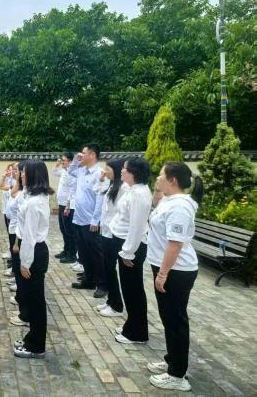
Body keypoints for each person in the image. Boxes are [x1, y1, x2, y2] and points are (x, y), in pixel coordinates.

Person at [145, 162, 203, 392]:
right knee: (169, 319)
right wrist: (157, 189)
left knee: (175, 321)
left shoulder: (180, 207)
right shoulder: (170, 200)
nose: (157, 177)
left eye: (161, 175)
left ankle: (177, 375)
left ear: (173, 180)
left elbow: (175, 244)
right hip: (168, 267)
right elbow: (155, 205)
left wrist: (163, 274)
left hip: (176, 271)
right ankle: (173, 361)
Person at [13, 159, 54, 359]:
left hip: (34, 251)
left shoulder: (34, 203)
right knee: (33, 299)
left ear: (33, 175)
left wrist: (25, 262)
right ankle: (32, 338)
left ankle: (36, 346)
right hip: (35, 249)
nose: (21, 174)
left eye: (25, 172)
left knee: (36, 301)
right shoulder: (36, 197)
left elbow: (29, 236)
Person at [110, 157, 152, 344]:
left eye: (125, 169)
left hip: (132, 246)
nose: (121, 171)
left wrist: (128, 252)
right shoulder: (131, 189)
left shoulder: (139, 194)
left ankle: (137, 333)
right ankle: (132, 324)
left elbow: (137, 226)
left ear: (134, 172)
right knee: (128, 289)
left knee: (133, 290)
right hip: (125, 243)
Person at [67, 144, 106, 298]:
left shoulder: (99, 173)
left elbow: (100, 199)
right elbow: (70, 171)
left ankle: (102, 284)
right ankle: (89, 280)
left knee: (96, 254)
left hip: (91, 221)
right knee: (83, 253)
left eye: (83, 153)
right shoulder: (82, 170)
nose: (80, 155)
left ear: (92, 154)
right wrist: (75, 160)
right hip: (79, 218)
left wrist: (95, 220)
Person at [94, 158, 127, 318]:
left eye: (108, 169)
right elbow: (97, 191)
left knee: (110, 269)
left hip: (113, 234)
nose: (105, 171)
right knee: (107, 268)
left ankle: (117, 305)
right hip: (106, 232)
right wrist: (101, 180)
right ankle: (111, 301)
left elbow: (121, 214)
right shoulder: (112, 185)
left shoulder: (123, 188)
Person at [6, 162, 28, 327]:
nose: (18, 174)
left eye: (19, 171)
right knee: (16, 263)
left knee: (21, 267)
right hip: (14, 228)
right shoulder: (21, 189)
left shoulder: (26, 195)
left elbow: (25, 224)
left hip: (19, 233)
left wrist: (16, 242)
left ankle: (24, 308)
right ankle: (21, 296)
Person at [52, 153, 77, 263]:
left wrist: (68, 206)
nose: (62, 162)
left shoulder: (73, 174)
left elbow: (72, 191)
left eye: (64, 160)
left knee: (69, 231)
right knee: (63, 229)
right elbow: (54, 172)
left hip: (68, 206)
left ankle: (72, 254)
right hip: (62, 205)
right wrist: (57, 164)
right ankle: (66, 250)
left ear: (70, 161)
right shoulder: (64, 171)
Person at [0, 164, 16, 263]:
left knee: (12, 234)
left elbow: (4, 188)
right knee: (9, 232)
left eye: (13, 170)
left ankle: (13, 255)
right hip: (6, 210)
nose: (11, 172)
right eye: (9, 170)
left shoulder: (15, 182)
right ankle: (11, 252)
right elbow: (1, 186)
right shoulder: (8, 180)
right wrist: (3, 176)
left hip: (12, 213)